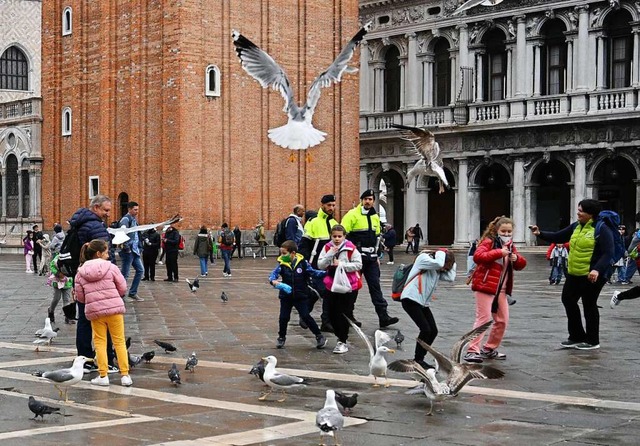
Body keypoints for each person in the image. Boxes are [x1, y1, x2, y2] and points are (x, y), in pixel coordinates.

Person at [530, 199, 614, 351]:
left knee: (589, 305)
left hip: (592, 274)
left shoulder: (602, 229)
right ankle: (576, 336)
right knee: (568, 300)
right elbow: (558, 236)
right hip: (574, 272)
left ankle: (592, 340)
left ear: (590, 214)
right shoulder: (576, 226)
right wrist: (539, 233)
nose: (578, 213)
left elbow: (608, 253)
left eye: (581, 210)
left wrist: (597, 269)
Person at [465, 216, 527, 363]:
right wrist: (499, 253)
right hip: (485, 286)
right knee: (483, 319)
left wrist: (516, 259)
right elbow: (478, 256)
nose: (506, 234)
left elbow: (520, 265)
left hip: (502, 289)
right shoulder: (489, 242)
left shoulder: (511, 245)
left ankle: (489, 348)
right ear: (496, 230)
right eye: (503, 231)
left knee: (502, 320)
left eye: (509, 231)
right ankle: (472, 350)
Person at [68, 194, 118, 373]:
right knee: (106, 318)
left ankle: (84, 359)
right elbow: (106, 253)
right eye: (105, 210)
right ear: (96, 207)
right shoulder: (96, 226)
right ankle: (107, 360)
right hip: (98, 279)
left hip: (81, 275)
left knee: (84, 319)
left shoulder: (78, 222)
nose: (107, 214)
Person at [74, 240, 132, 387]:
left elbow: (80, 297)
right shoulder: (111, 267)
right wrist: (114, 296)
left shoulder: (80, 272)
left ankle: (103, 375)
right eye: (106, 252)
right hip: (114, 309)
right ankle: (125, 375)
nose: (108, 255)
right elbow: (123, 287)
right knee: (119, 341)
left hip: (95, 312)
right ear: (99, 254)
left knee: (99, 342)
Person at [341, 189, 399, 328]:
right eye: (366, 199)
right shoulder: (352, 215)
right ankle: (348, 316)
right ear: (362, 200)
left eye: (370, 199)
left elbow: (377, 238)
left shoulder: (375, 216)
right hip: (357, 258)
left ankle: (383, 316)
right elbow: (343, 236)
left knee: (375, 287)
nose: (368, 201)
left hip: (371, 259)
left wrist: (378, 255)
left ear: (373, 200)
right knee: (353, 288)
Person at [400, 249, 456, 369]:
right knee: (425, 330)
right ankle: (418, 359)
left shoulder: (436, 269)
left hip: (422, 303)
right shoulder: (423, 259)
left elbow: (450, 278)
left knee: (433, 331)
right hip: (410, 299)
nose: (442, 270)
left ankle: (420, 358)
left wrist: (453, 262)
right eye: (444, 267)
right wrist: (442, 253)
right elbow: (439, 264)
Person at [268, 240, 328, 350]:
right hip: (286, 296)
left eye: (284, 253)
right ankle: (281, 337)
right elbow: (272, 276)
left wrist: (327, 273)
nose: (282, 256)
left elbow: (314, 273)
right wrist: (274, 282)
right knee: (283, 317)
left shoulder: (303, 263)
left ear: (293, 253)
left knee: (306, 316)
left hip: (301, 295)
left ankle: (319, 336)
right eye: (281, 253)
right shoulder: (281, 265)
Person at [317, 224, 363, 354]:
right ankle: (339, 336)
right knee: (331, 314)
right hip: (331, 285)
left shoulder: (350, 248)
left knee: (343, 313)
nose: (337, 239)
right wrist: (330, 254)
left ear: (344, 236)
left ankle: (342, 341)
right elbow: (320, 265)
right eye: (334, 236)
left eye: (339, 236)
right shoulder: (327, 247)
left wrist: (342, 265)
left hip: (348, 285)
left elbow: (359, 264)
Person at [298, 194, 340, 332]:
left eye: (333, 205)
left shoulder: (334, 224)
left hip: (330, 264)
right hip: (315, 264)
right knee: (321, 291)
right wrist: (305, 262)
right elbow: (304, 244)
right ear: (322, 205)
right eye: (329, 205)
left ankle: (324, 320)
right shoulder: (313, 222)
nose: (331, 208)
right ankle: (309, 316)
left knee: (326, 292)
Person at [118, 201, 145, 302]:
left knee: (140, 270)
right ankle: (120, 295)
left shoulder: (134, 219)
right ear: (129, 209)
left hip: (135, 250)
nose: (137, 211)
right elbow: (122, 233)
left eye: (137, 209)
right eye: (135, 209)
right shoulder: (125, 219)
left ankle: (133, 292)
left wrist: (139, 246)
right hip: (128, 250)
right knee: (125, 273)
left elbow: (137, 234)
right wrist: (126, 247)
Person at [47, 254, 75, 324]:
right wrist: (58, 273)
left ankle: (67, 316)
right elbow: (52, 266)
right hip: (57, 281)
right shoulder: (58, 257)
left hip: (68, 282)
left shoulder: (72, 257)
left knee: (67, 300)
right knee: (56, 298)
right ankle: (51, 311)